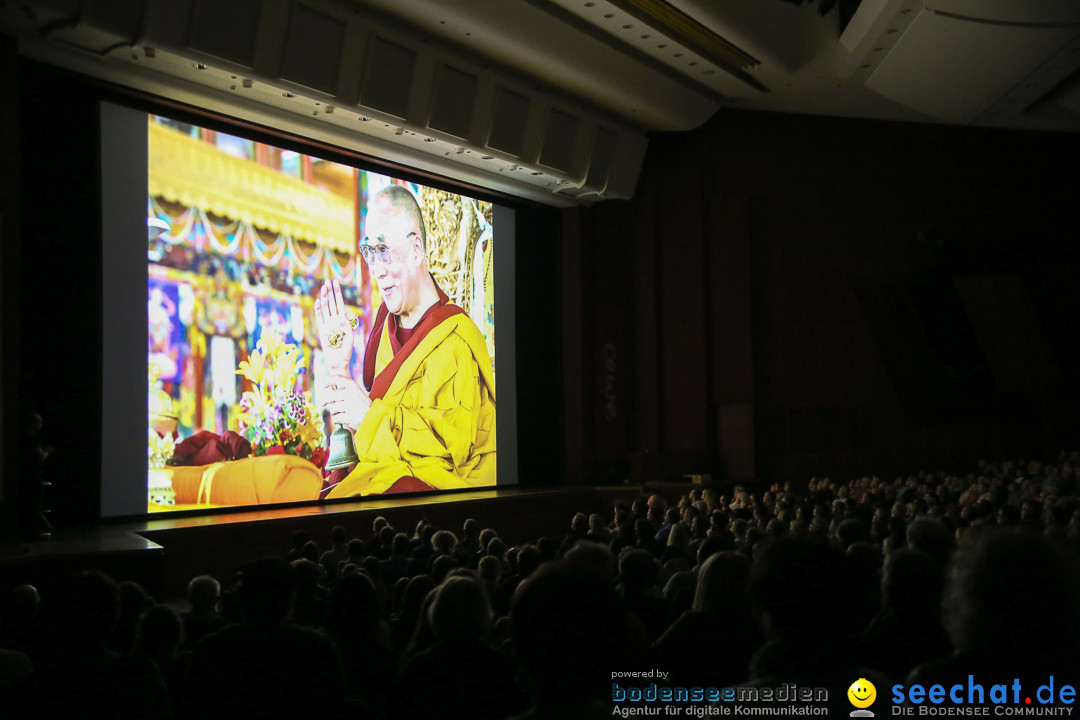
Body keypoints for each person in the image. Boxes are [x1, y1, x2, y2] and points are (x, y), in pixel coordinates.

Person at [315, 184, 496, 496]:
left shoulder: (455, 341)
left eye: (384, 251)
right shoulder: (382, 331)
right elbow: (363, 448)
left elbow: (450, 450)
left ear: (416, 250)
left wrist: (369, 417)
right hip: (387, 477)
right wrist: (340, 369)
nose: (377, 270)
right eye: (369, 252)